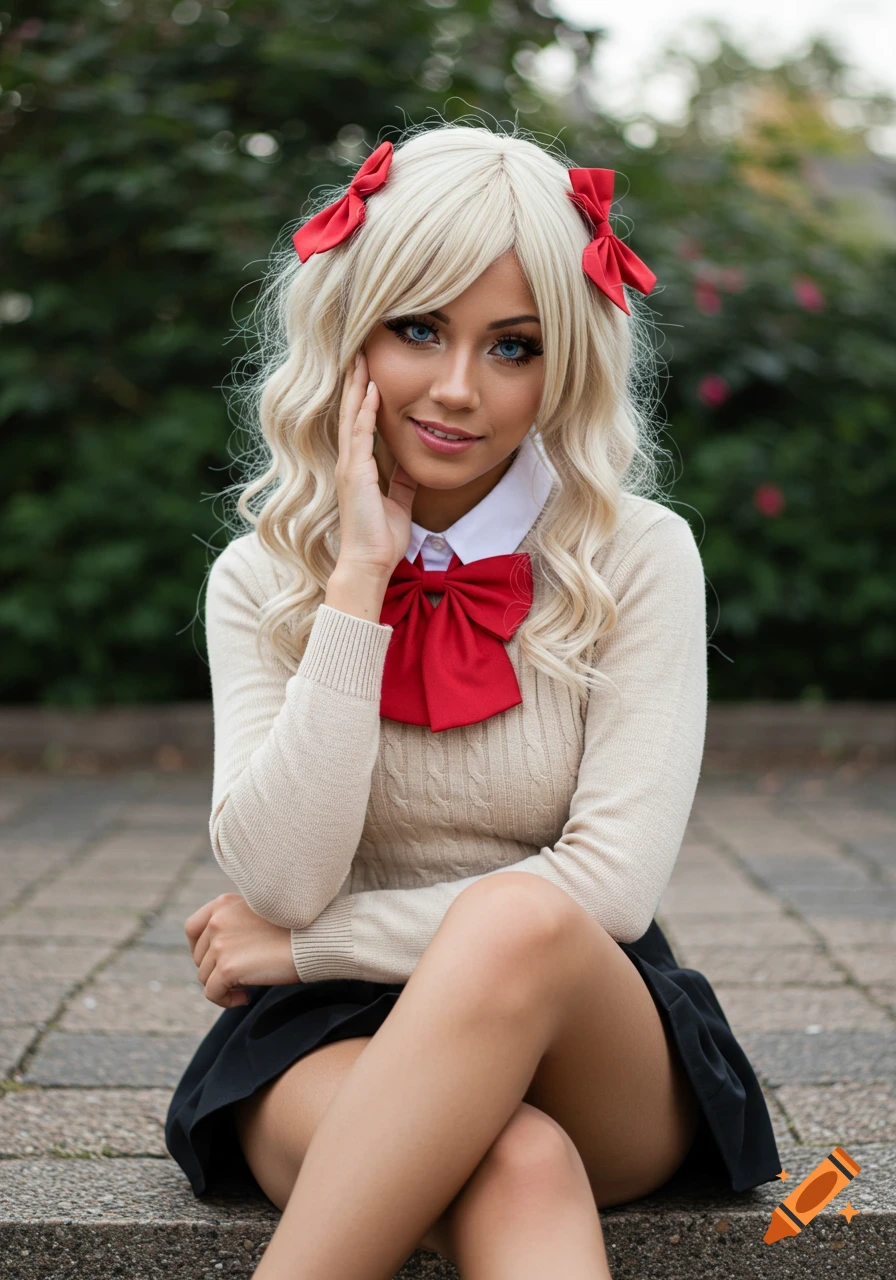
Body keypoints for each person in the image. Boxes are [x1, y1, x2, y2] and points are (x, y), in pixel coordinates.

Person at [165, 122, 780, 1279]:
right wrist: (355, 584)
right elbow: (281, 877)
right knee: (516, 1162)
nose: (457, 389)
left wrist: (311, 943)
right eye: (417, 330)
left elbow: (606, 885)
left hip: (585, 1029)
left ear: (566, 364)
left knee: (519, 919)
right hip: (326, 1035)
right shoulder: (261, 575)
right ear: (350, 329)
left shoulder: (638, 555)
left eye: (513, 346)